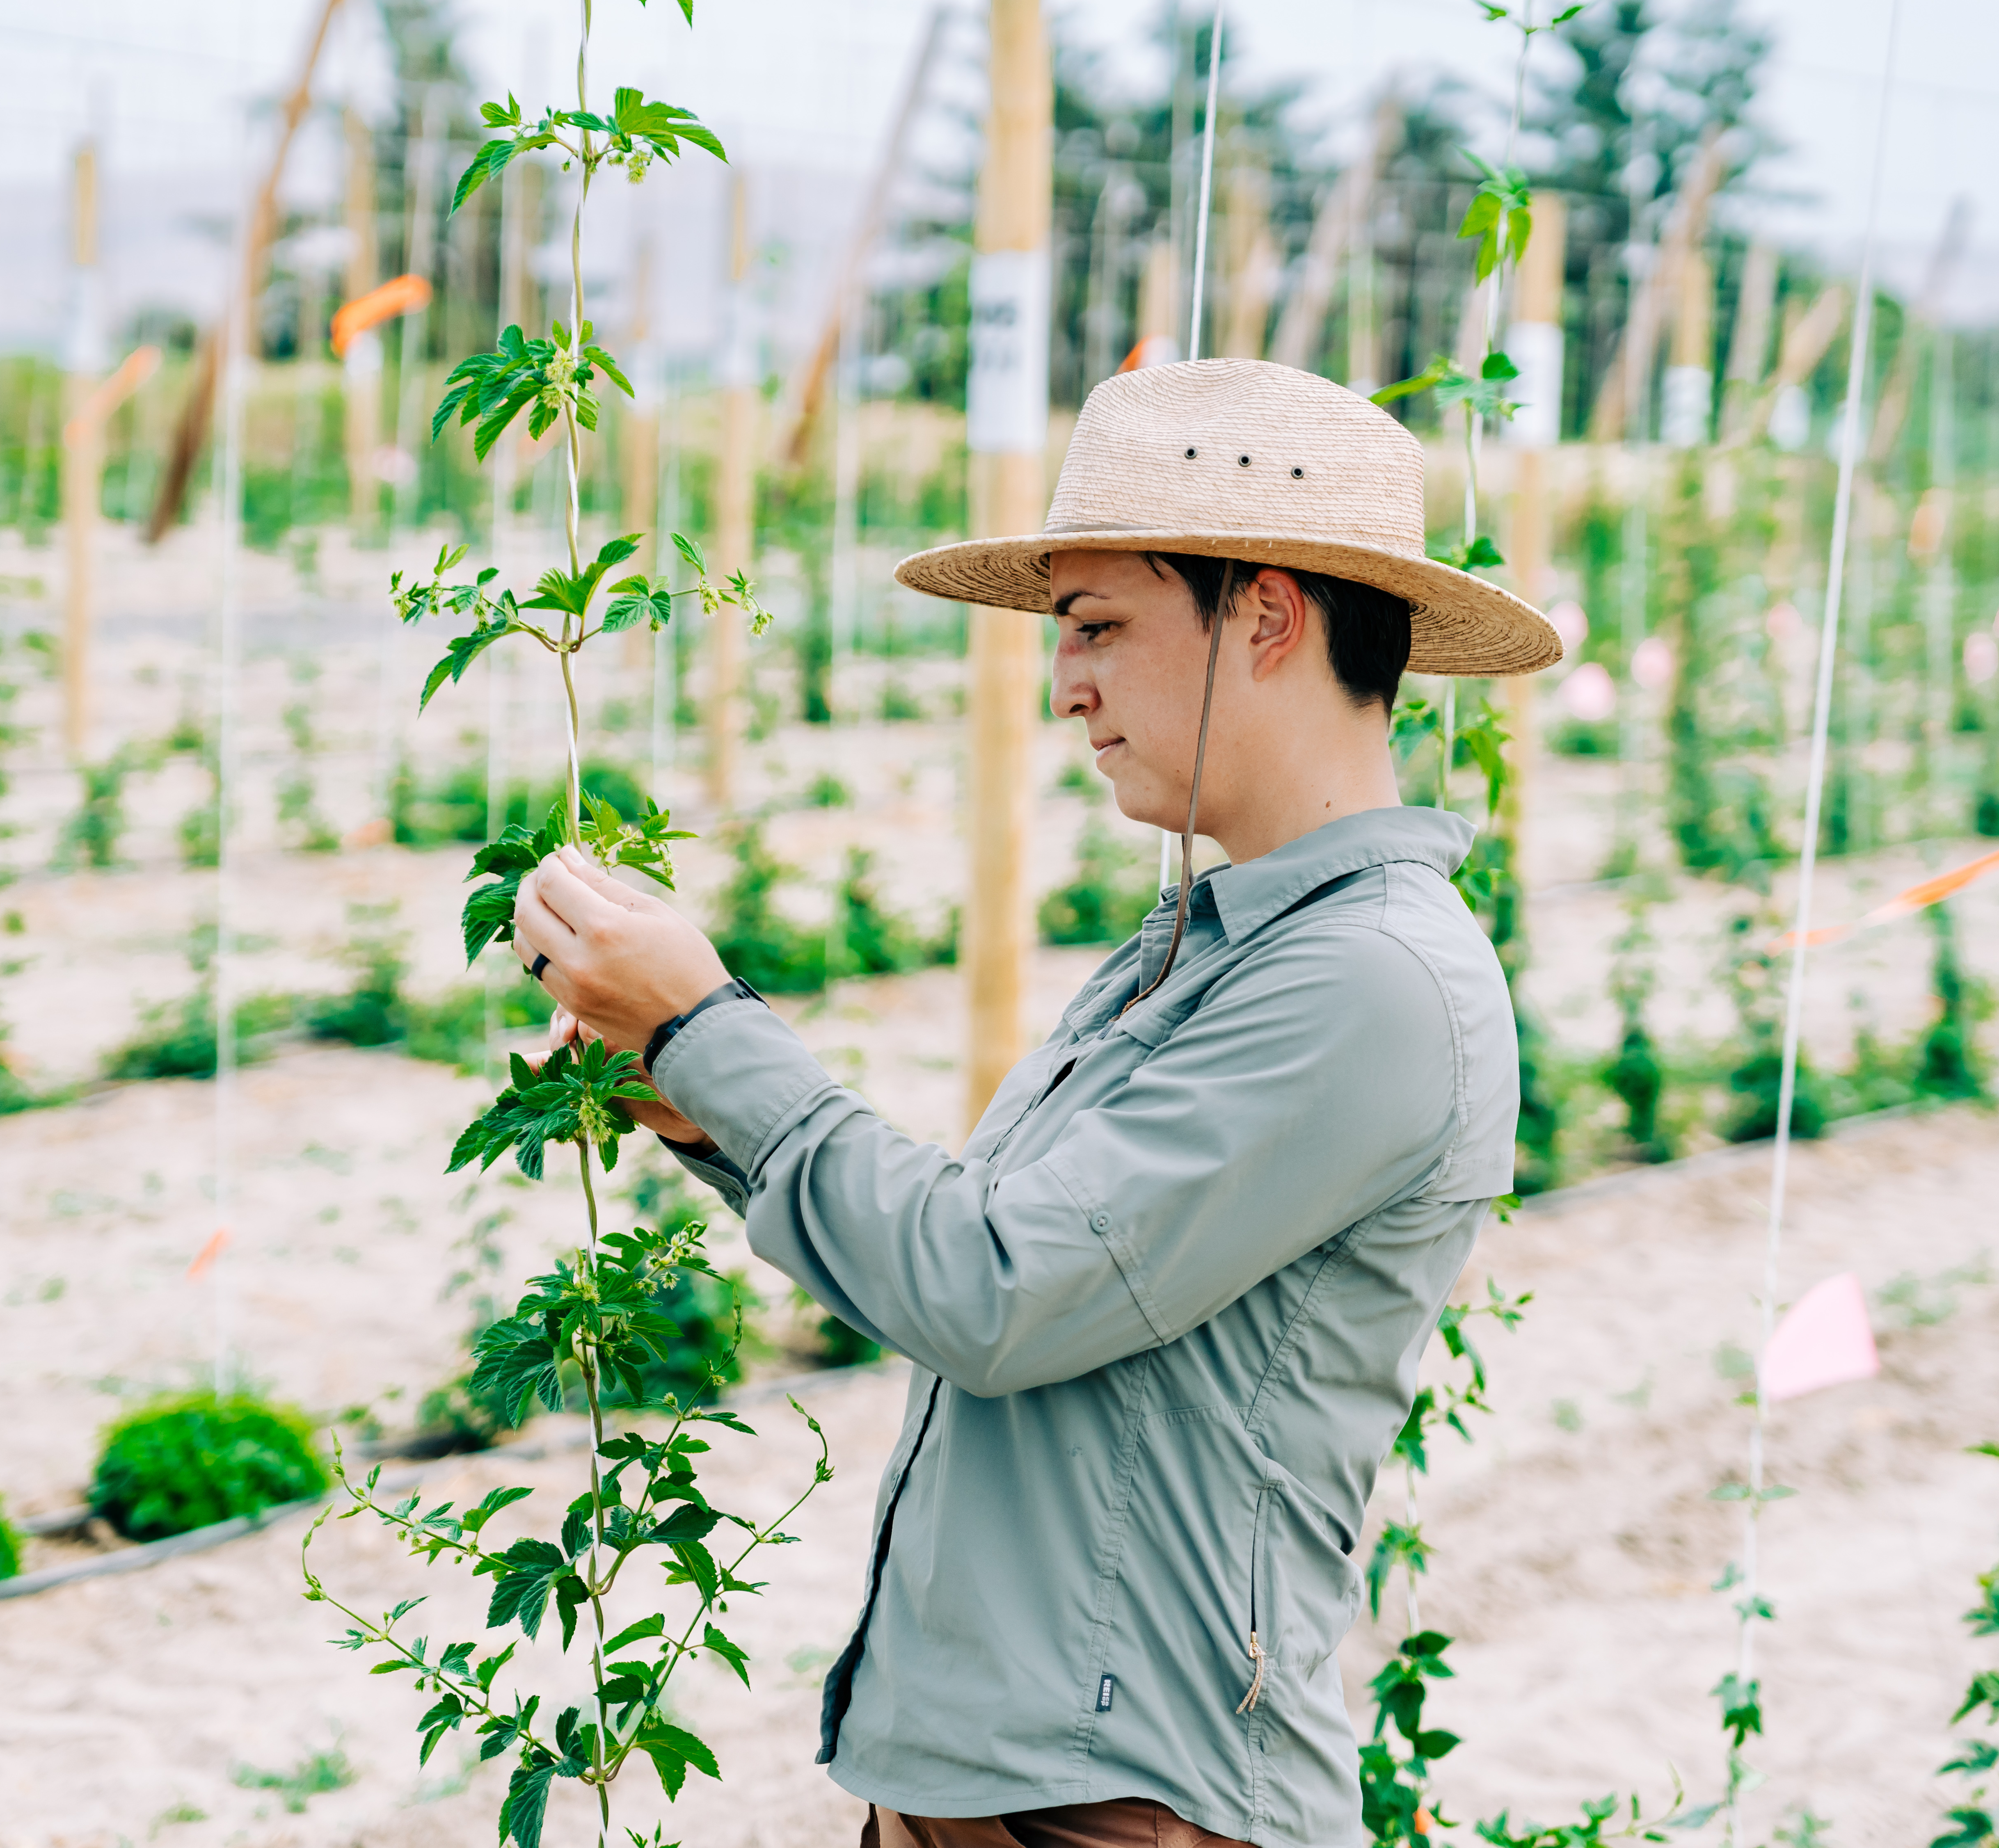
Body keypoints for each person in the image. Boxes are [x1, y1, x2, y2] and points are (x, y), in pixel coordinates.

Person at [511, 358, 1561, 1848]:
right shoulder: (1220, 943)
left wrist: (704, 1021)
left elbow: (995, 1293)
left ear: (1264, 615)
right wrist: (694, 1101)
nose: (1066, 683)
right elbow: (995, 1250)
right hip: (1009, 1788)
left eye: (1098, 628)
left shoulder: (1368, 981)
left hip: (1125, 1806)